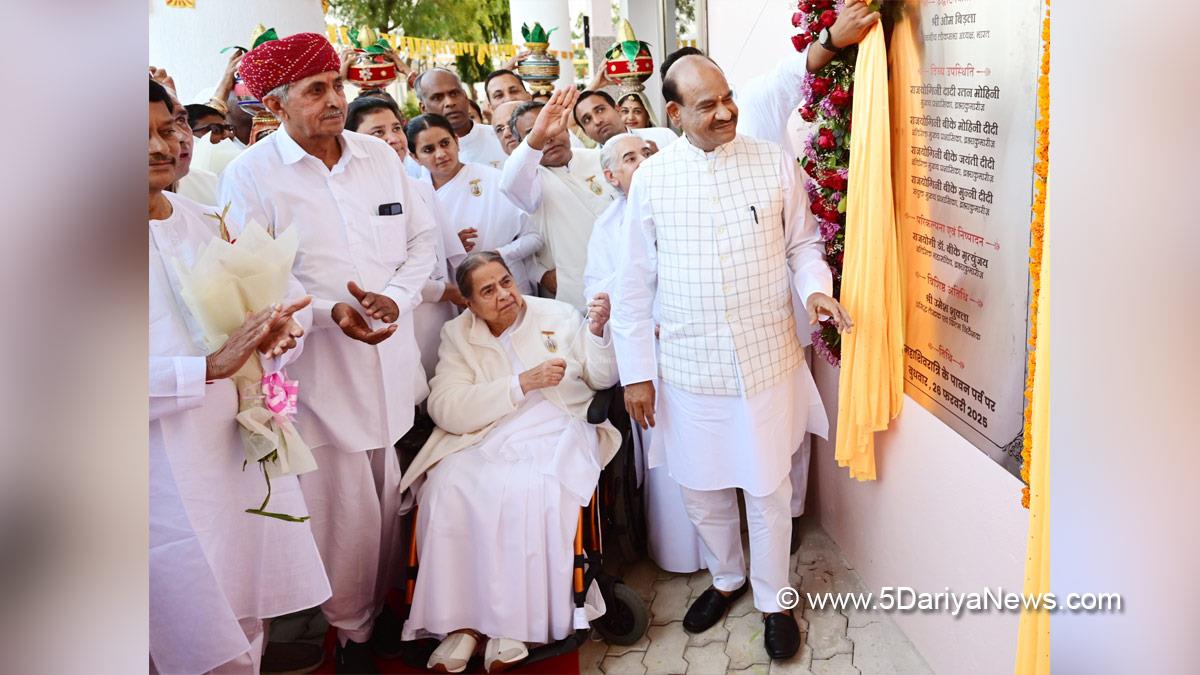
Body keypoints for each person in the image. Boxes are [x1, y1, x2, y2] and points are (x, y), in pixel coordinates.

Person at [611, 52, 855, 661]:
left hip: (765, 359)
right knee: (701, 486)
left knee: (767, 485)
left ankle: (775, 599)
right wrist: (636, 374)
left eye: (727, 98)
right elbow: (634, 284)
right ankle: (726, 578)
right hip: (689, 368)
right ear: (674, 113)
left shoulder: (772, 162)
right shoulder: (653, 179)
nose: (725, 112)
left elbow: (802, 246)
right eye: (706, 105)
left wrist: (816, 290)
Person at [218, 33, 439, 673]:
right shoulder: (250, 174)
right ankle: (352, 632)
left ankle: (389, 608)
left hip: (393, 361)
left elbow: (422, 238)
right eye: (316, 90)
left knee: (393, 491)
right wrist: (326, 314)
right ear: (277, 105)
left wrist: (396, 296)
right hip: (315, 371)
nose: (335, 99)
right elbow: (253, 278)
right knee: (339, 509)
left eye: (336, 85)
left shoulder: (375, 154)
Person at [148, 78, 331, 675]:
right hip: (153, 473)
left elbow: (269, 314)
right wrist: (202, 370)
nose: (160, 145)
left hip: (233, 453)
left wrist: (277, 339)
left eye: (167, 128)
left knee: (242, 606)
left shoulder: (205, 219)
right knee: (179, 622)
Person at [397, 251, 620, 673]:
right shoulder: (456, 335)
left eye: (506, 282)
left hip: (558, 423)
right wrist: (519, 384)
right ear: (468, 302)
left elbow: (600, 379)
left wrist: (596, 333)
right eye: (488, 290)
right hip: (489, 430)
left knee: (530, 490)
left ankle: (514, 625)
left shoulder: (555, 313)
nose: (504, 294)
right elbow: (445, 405)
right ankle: (460, 625)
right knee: (446, 488)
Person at [583, 132, 706, 575]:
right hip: (645, 354)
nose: (642, 162)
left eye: (647, 153)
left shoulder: (685, 204)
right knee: (664, 457)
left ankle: (724, 555)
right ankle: (676, 553)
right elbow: (598, 285)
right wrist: (607, 308)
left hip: (695, 344)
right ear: (611, 176)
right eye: (629, 158)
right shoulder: (607, 225)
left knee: (708, 450)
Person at [345, 98, 468, 390]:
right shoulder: (354, 196)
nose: (392, 139)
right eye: (378, 133)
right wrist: (444, 291)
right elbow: (382, 271)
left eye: (396, 129)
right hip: (401, 312)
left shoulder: (422, 188)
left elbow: (450, 255)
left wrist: (461, 292)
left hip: (444, 311)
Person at [500, 91, 615, 311]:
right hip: (576, 298)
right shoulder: (529, 181)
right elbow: (510, 183)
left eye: (554, 126)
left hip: (627, 285)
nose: (549, 137)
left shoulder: (601, 160)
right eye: (534, 133)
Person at [407, 113, 541, 293]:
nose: (440, 154)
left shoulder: (495, 181)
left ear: (456, 141)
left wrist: (497, 254)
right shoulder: (415, 197)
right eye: (428, 150)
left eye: (445, 143)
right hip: (455, 294)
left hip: (509, 285)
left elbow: (535, 238)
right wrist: (447, 248)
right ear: (414, 156)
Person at [414, 68, 507, 169]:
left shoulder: (501, 138)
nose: (450, 102)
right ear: (424, 108)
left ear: (466, 97)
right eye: (437, 98)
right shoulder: (417, 162)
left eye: (454, 94)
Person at [573, 89, 677, 150]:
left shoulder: (663, 137)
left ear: (617, 109)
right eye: (587, 119)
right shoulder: (589, 167)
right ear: (585, 133)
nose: (597, 121)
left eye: (600, 110)